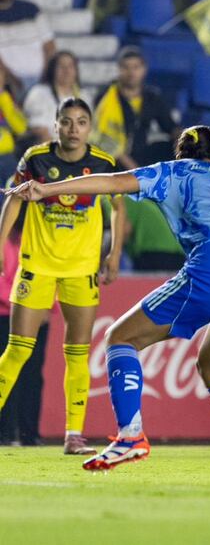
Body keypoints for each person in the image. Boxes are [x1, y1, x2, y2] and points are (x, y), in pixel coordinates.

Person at [6, 125, 210, 483]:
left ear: (181, 155)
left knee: (120, 338)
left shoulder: (174, 171)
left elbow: (112, 183)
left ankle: (130, 435)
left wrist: (45, 189)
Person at [0, 97, 124, 455]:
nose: (73, 129)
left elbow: (118, 207)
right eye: (66, 122)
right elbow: (15, 200)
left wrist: (112, 254)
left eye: (81, 122)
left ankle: (74, 435)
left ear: (90, 127)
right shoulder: (36, 158)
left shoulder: (102, 163)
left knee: (77, 353)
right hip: (36, 264)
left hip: (81, 269)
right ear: (55, 125)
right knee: (17, 351)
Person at [0, 214, 48, 446]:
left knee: (32, 377)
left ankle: (30, 433)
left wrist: (47, 306)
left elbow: (54, 271)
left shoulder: (42, 236)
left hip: (37, 314)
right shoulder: (5, 240)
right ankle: (5, 433)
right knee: (10, 372)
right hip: (5, 315)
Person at [92, 46, 178, 170]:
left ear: (144, 69)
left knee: (174, 146)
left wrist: (185, 140)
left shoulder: (152, 97)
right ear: (119, 69)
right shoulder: (105, 96)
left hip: (140, 154)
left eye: (136, 67)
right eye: (126, 67)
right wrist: (134, 169)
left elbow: (170, 126)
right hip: (112, 157)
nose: (131, 72)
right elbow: (103, 138)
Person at [0, 0, 55, 89]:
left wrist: (45, 76)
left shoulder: (32, 10)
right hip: (8, 84)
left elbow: (49, 46)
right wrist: (12, 81)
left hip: (42, 79)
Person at [23, 50, 95, 144]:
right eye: (61, 66)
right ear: (53, 70)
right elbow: (38, 129)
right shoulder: (39, 93)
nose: (66, 71)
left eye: (70, 66)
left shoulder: (85, 96)